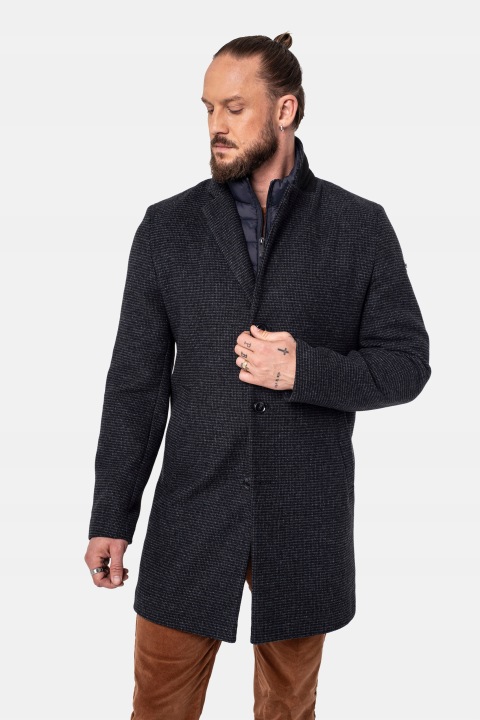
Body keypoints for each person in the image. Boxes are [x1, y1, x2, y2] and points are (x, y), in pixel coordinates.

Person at [84, 32, 431, 719]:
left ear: (286, 110)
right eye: (209, 108)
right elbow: (135, 387)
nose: (216, 124)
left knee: (289, 708)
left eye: (235, 108)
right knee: (157, 705)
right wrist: (112, 517)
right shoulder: (167, 228)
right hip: (192, 510)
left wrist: (305, 368)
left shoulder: (359, 227)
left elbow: (406, 363)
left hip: (304, 517)